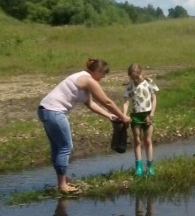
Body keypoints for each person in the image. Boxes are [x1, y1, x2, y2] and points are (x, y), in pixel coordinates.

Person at [38, 59, 129, 194]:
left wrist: (109, 116)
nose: (103, 78)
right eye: (103, 74)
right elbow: (107, 102)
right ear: (97, 71)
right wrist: (123, 117)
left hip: (45, 110)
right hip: (54, 111)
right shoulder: (88, 80)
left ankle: (63, 180)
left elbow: (90, 104)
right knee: (65, 147)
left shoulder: (81, 78)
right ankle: (62, 186)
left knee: (57, 147)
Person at [122, 63, 159, 177]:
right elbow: (126, 101)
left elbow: (153, 98)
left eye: (136, 77)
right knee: (137, 141)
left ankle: (150, 167)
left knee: (148, 140)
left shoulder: (148, 83)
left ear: (141, 73)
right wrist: (124, 115)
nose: (135, 80)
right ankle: (138, 167)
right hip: (135, 115)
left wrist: (151, 114)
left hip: (147, 114)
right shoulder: (129, 86)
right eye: (132, 78)